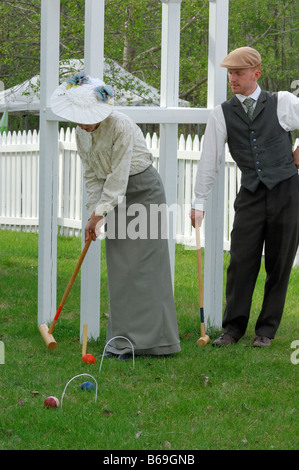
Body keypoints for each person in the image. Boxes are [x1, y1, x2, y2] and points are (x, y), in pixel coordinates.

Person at [51, 72, 181, 360]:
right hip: (113, 197)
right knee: (122, 268)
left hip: (143, 194)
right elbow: (93, 176)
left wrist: (99, 214)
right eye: (78, 116)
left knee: (146, 269)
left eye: (87, 116)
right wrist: (92, 215)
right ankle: (124, 342)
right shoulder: (80, 132)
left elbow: (118, 178)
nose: (83, 123)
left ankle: (157, 343)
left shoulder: (120, 125)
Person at [190, 47, 299, 347]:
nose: (233, 79)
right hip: (250, 194)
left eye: (238, 73)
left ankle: (266, 330)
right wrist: (199, 201)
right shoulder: (222, 114)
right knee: (241, 260)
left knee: (279, 263)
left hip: (287, 192)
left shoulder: (282, 102)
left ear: (256, 73)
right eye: (230, 73)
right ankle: (233, 329)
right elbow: (209, 160)